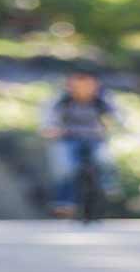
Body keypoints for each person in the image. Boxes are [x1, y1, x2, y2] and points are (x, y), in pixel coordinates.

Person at [42, 71, 123, 218]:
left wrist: (118, 126)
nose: (82, 88)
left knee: (104, 160)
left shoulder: (102, 99)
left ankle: (108, 185)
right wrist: (50, 129)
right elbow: (49, 117)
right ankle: (64, 201)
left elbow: (118, 116)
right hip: (68, 138)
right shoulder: (62, 100)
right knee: (66, 168)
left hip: (95, 137)